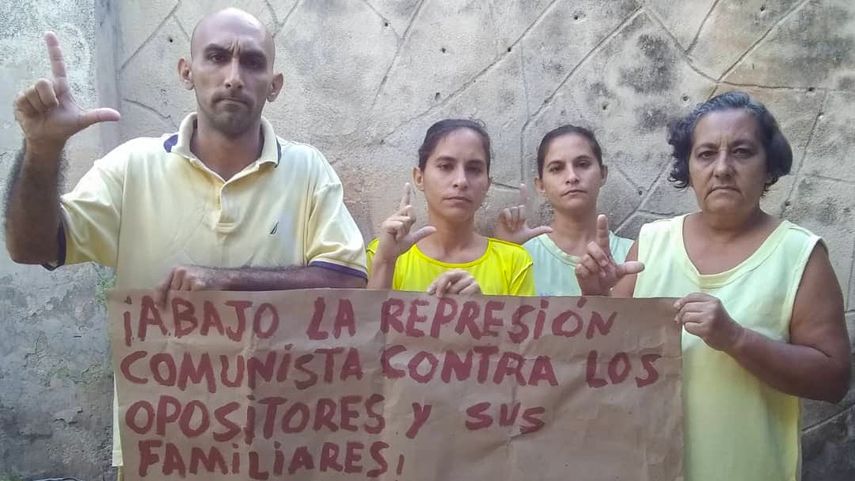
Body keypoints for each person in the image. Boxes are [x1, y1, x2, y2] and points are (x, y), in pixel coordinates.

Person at [6, 8, 367, 471]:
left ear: (274, 85)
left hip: (281, 445)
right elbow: (31, 246)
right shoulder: (132, 165)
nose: (233, 77)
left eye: (252, 63)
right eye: (216, 57)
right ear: (186, 71)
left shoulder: (307, 169)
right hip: (162, 445)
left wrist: (226, 282)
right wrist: (42, 149)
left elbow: (347, 283)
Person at [575, 91, 851, 481]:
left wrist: (736, 339)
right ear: (688, 168)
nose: (722, 168)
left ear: (768, 166)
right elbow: (604, 360)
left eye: (741, 152)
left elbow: (834, 380)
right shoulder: (652, 243)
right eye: (706, 154)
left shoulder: (799, 255)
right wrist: (596, 298)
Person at [366, 119, 535, 296]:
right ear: (419, 177)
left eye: (474, 169)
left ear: (487, 183)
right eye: (446, 166)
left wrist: (482, 311)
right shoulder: (386, 251)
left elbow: (525, 324)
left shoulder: (514, 261)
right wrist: (385, 262)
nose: (461, 181)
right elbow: (366, 322)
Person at [495, 125, 633, 295]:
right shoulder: (522, 254)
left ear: (603, 174)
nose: (572, 177)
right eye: (556, 168)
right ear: (540, 185)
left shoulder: (633, 255)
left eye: (583, 164)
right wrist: (502, 252)